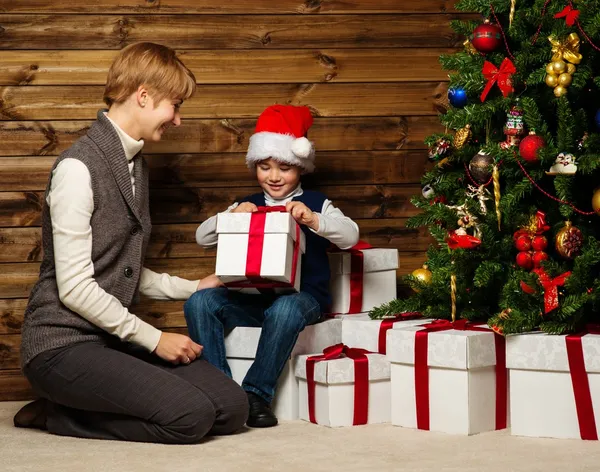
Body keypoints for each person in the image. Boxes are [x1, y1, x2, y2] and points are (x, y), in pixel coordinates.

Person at [13, 42, 248, 444]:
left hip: (108, 339)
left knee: (231, 406)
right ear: (143, 96)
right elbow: (76, 289)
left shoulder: (134, 164)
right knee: (190, 417)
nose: (177, 119)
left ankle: (84, 402)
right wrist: (156, 339)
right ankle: (58, 415)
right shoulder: (77, 168)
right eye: (174, 105)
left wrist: (191, 288)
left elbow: (120, 270)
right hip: (60, 345)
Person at [184, 104, 359, 428]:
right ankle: (222, 394)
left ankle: (255, 394)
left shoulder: (317, 202)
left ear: (301, 168)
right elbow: (202, 237)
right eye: (264, 167)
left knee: (284, 310)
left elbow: (350, 235)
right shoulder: (245, 203)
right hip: (250, 299)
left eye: (285, 168)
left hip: (301, 299)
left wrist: (313, 219)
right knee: (201, 300)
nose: (274, 176)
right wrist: (229, 217)